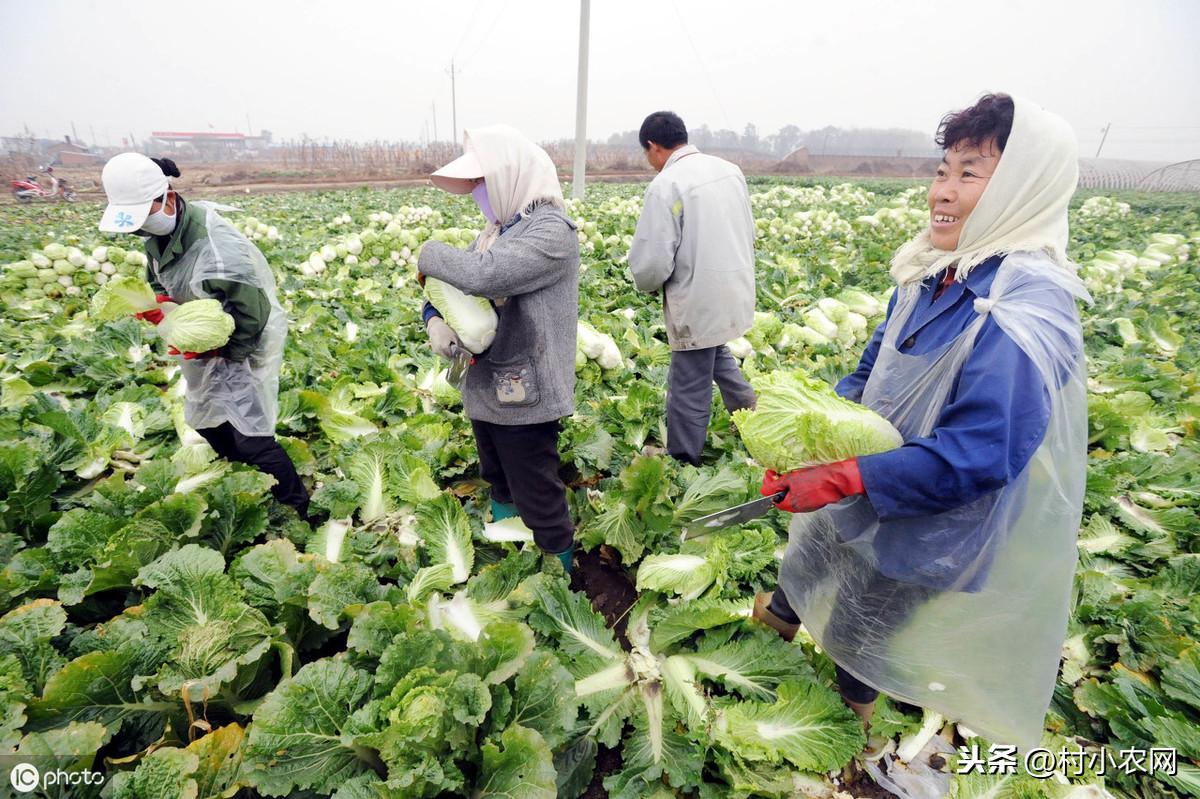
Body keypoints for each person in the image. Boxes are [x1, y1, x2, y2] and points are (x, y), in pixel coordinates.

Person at [752, 94, 1090, 749]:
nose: (944, 190)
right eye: (943, 170)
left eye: (970, 174)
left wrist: (850, 473)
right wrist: (814, 443)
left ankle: (839, 742)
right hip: (860, 485)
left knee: (861, 630)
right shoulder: (929, 271)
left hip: (932, 525)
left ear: (1022, 188)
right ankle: (769, 647)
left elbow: (978, 455)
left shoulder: (1024, 306)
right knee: (809, 564)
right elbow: (872, 371)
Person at [97, 153, 311, 521]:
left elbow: (252, 313)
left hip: (244, 342)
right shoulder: (157, 233)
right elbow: (160, 276)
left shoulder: (218, 248)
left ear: (166, 198)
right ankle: (242, 473)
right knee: (206, 418)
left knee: (251, 435)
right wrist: (161, 303)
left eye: (142, 217)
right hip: (201, 342)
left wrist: (224, 351)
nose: (139, 229)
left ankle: (297, 507)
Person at [418, 125, 580, 572]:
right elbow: (444, 288)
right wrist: (432, 319)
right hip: (485, 384)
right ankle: (511, 557)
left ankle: (558, 577)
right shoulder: (496, 231)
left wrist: (428, 251)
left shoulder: (552, 233)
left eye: (480, 184)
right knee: (498, 477)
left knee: (535, 486)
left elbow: (484, 275)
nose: (476, 194)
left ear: (512, 177)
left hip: (524, 388)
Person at [627, 111, 757, 466]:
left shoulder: (667, 184)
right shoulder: (729, 170)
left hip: (698, 292)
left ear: (653, 147)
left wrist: (647, 284)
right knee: (715, 353)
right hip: (735, 284)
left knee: (688, 384)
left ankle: (683, 457)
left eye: (646, 153)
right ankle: (753, 414)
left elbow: (652, 259)